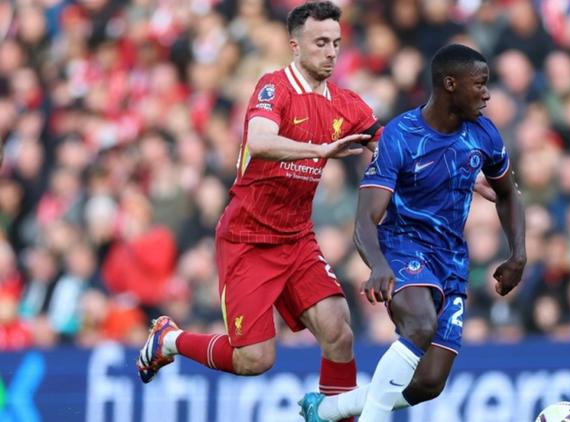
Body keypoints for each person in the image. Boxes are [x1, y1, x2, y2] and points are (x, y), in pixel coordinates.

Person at [136, 2, 381, 416]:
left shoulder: (347, 104)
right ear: (295, 46)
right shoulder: (274, 87)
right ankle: (169, 340)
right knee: (255, 359)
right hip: (248, 237)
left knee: (339, 330)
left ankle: (331, 415)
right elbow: (261, 139)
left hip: (297, 236)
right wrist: (320, 150)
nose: (331, 52)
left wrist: (470, 177)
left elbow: (391, 145)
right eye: (320, 42)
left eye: (336, 43)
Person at [299, 44, 527, 421]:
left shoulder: (484, 134)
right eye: (480, 84)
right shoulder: (401, 135)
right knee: (420, 325)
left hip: (451, 259)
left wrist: (518, 254)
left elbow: (507, 195)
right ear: (450, 85)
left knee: (428, 383)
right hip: (403, 247)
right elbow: (365, 219)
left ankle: (326, 410)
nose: (487, 93)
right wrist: (377, 265)